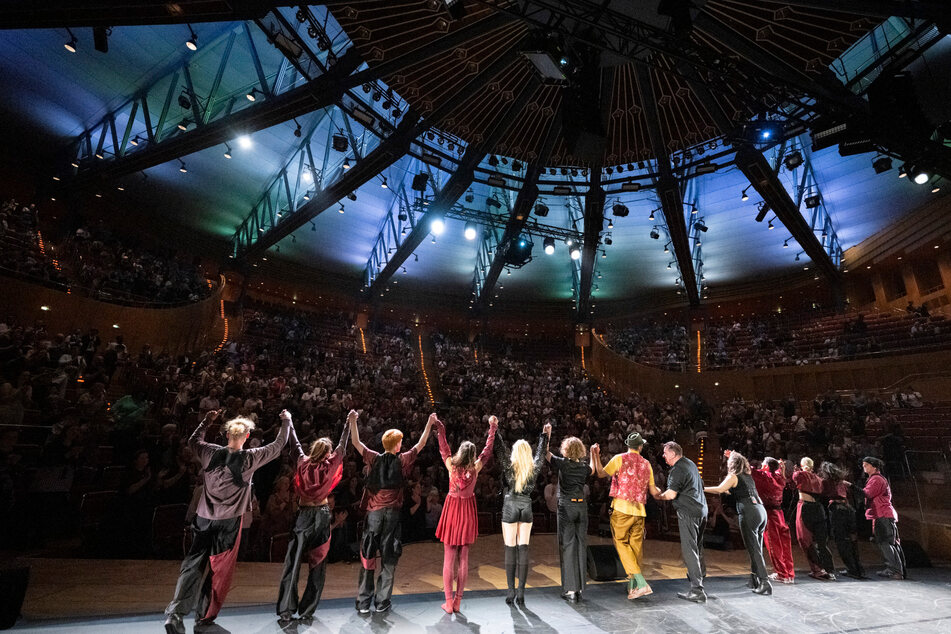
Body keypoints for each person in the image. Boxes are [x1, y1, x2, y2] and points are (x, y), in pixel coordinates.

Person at [164, 409, 291, 634]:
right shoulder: (250, 457)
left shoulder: (209, 452)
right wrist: (286, 421)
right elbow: (279, 444)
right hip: (229, 523)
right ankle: (204, 615)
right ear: (247, 437)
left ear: (226, 435)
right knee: (218, 570)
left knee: (192, 565)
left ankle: (175, 613)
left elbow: (193, 440)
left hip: (204, 518)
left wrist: (207, 421)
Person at [350, 412, 434, 614]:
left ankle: (363, 602)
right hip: (392, 516)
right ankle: (382, 602)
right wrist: (429, 422)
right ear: (397, 445)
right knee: (389, 558)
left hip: (374, 515)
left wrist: (353, 421)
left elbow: (355, 441)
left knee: (368, 556)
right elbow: (421, 444)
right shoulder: (403, 460)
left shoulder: (373, 457)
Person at [275, 409, 352, 624]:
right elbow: (342, 446)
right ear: (327, 453)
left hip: (304, 515)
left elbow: (295, 444)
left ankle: (286, 609)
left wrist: (289, 421)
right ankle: (307, 609)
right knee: (318, 564)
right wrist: (348, 421)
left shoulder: (302, 462)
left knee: (293, 563)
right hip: (321, 515)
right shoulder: (330, 464)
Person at [433, 414, 497, 613]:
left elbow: (444, 449)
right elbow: (487, 452)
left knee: (448, 558)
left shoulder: (451, 466)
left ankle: (448, 602)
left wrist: (440, 430)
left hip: (452, 511)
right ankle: (458, 601)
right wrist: (492, 429)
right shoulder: (475, 468)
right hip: (467, 512)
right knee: (464, 559)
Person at [591, 432, 657, 600]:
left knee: (621, 543)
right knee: (636, 549)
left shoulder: (619, 458)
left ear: (628, 445)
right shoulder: (647, 463)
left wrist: (596, 455)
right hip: (640, 511)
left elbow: (600, 473)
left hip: (622, 509)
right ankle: (633, 587)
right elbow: (653, 491)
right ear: (640, 447)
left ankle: (641, 583)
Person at [494, 421, 548, 605]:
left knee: (510, 548)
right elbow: (541, 454)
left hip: (510, 505)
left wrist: (495, 430)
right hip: (526, 506)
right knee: (523, 548)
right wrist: (544, 435)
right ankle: (521, 592)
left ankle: (510, 592)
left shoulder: (510, 467)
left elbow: (500, 451)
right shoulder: (532, 468)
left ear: (515, 453)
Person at [704, 451, 772, 595]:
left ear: (732, 464)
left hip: (749, 512)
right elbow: (739, 492)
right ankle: (754, 579)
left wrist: (701, 488)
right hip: (761, 511)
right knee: (757, 548)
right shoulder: (748, 477)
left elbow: (719, 489)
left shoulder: (733, 476)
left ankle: (765, 582)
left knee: (754, 550)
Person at [653, 441, 708, 603]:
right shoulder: (690, 464)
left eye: (665, 452)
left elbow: (670, 494)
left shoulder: (677, 469)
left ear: (673, 453)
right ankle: (700, 581)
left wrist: (658, 495)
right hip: (702, 510)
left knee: (690, 550)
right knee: (698, 548)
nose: (663, 456)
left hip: (689, 512)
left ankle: (697, 590)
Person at [548, 432, 595, 602]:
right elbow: (593, 469)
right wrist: (594, 455)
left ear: (566, 450)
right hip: (581, 506)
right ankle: (581, 588)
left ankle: (570, 589)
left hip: (567, 507)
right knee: (581, 545)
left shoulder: (563, 464)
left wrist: (547, 435)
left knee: (567, 546)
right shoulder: (584, 467)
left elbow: (546, 454)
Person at [751, 457, 795, 584]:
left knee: (774, 545)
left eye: (763, 464)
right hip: (780, 514)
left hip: (770, 515)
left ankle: (782, 574)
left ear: (767, 467)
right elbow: (778, 471)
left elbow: (750, 469)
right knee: (785, 544)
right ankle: (789, 574)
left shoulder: (765, 478)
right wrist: (781, 466)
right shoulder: (780, 478)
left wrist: (733, 456)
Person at [792, 457, 836, 581]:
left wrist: (798, 470)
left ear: (802, 465)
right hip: (818, 508)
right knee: (822, 542)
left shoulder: (800, 474)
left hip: (806, 507)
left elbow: (794, 479)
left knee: (804, 539)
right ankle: (830, 570)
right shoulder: (819, 479)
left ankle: (817, 569)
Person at [819, 461, 865, 580]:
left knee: (841, 541)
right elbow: (857, 490)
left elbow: (821, 493)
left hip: (837, 511)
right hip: (849, 509)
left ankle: (852, 569)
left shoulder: (825, 482)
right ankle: (859, 569)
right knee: (852, 540)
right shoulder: (842, 482)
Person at [862, 457, 905, 580]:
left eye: (866, 465)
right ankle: (893, 569)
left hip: (883, 515)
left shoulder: (876, 479)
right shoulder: (875, 478)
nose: (864, 467)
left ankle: (895, 570)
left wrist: (851, 486)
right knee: (885, 543)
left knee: (886, 543)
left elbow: (867, 493)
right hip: (882, 515)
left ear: (874, 467)